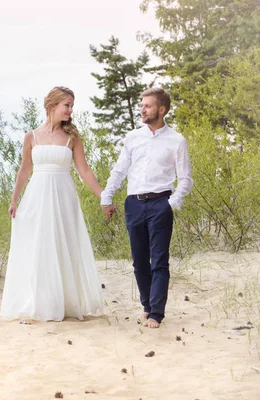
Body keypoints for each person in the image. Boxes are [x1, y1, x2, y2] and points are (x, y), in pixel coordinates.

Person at [0, 86, 104, 323]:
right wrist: (14, 199)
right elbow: (25, 168)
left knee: (61, 245)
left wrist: (103, 196)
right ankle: (39, 302)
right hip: (37, 196)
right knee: (39, 246)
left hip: (63, 196)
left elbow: (84, 170)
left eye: (72, 106)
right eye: (67, 105)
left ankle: (65, 302)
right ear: (52, 106)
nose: (70, 110)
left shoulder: (72, 138)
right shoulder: (31, 136)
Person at [100, 87, 193, 329]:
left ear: (161, 110)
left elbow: (185, 179)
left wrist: (171, 204)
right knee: (139, 261)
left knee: (159, 261)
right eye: (142, 105)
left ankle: (156, 314)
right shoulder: (133, 138)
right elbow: (120, 170)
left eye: (148, 105)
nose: (143, 109)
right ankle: (146, 306)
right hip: (134, 204)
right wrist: (106, 196)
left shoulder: (176, 140)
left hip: (160, 203)